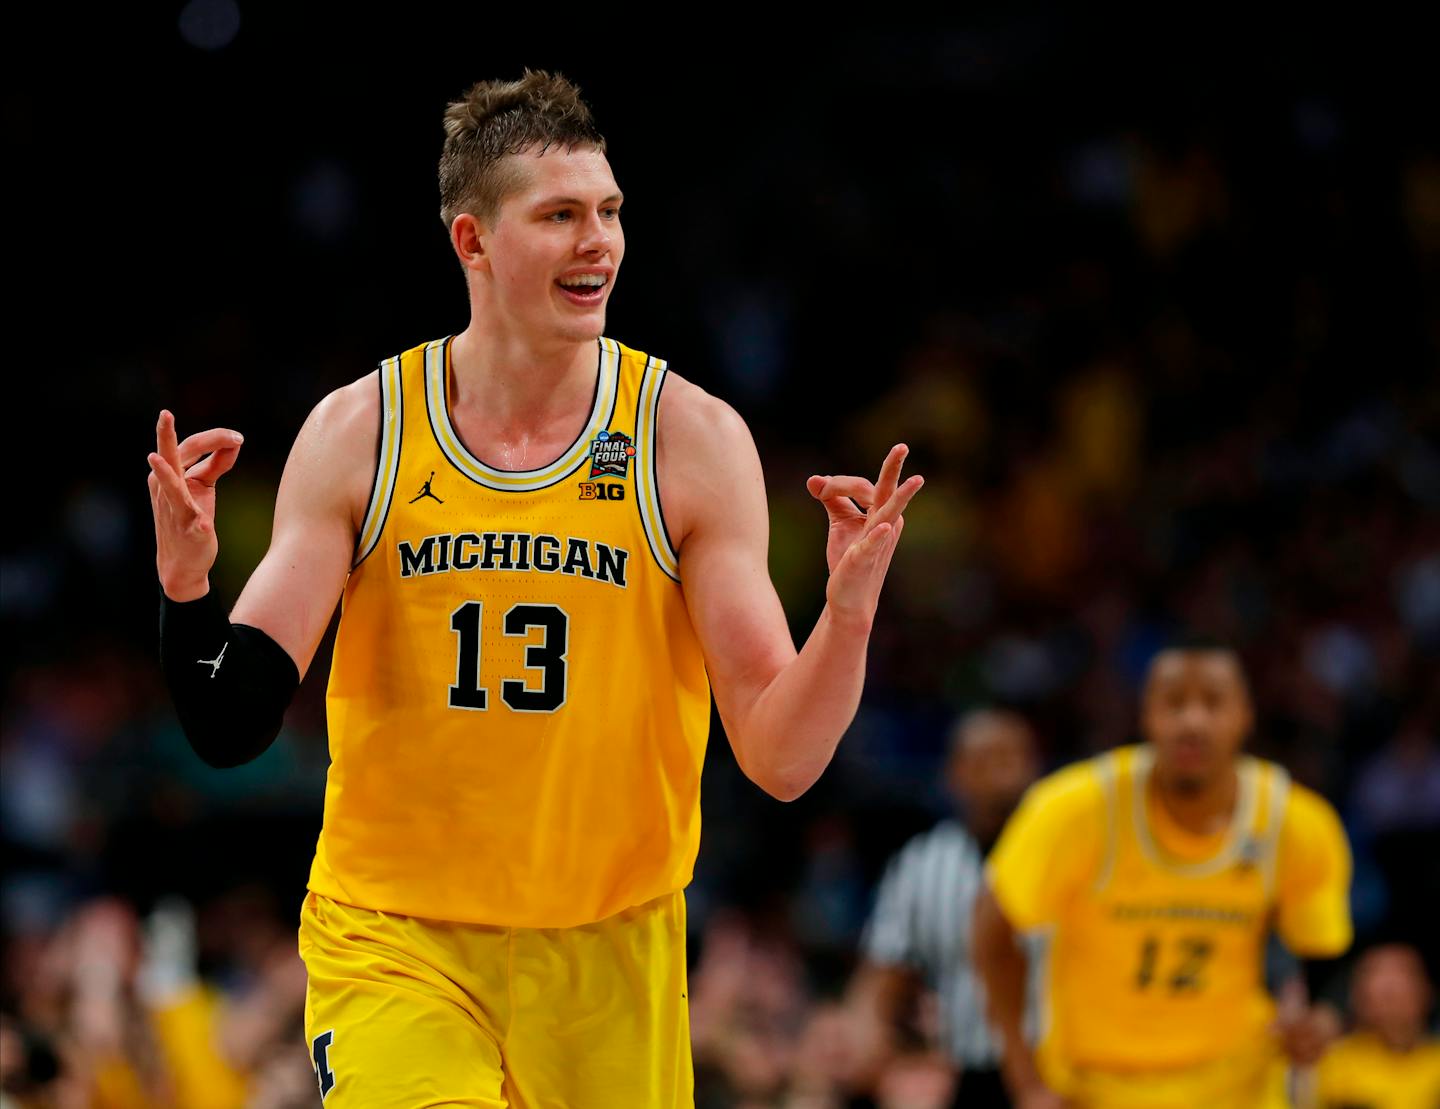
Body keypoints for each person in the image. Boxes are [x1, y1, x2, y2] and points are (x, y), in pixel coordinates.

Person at [145, 70, 922, 1108]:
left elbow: (781, 757)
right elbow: (229, 717)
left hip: (610, 946)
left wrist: (850, 611)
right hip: (395, 935)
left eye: (608, 212)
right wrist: (187, 587)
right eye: (559, 216)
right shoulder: (362, 431)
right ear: (473, 241)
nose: (598, 240)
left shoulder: (688, 439)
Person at [973, 639, 1353, 1109]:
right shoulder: (1074, 809)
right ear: (1146, 716)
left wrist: (1322, 1016)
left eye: (1213, 703)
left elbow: (1327, 957)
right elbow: (992, 924)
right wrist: (1025, 1081)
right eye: (1173, 703)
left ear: (1245, 716)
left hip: (1238, 1085)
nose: (1192, 721)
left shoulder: (1296, 822)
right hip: (1096, 1087)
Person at [847, 709, 1040, 1107]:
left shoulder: (1064, 853)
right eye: (985, 760)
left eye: (1010, 758)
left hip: (1053, 1067)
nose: (1000, 774)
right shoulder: (923, 863)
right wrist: (865, 1036)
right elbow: (882, 972)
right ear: (955, 773)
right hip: (963, 1066)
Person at [1314, 943, 1440, 1109]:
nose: (1390, 1002)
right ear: (1358, 999)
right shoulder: (1332, 1061)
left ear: (1426, 991)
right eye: (1382, 993)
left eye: (1401, 983)